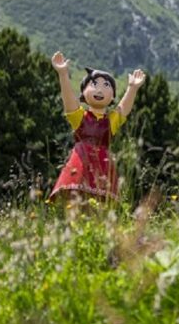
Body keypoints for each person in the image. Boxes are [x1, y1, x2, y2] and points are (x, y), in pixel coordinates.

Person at [48, 51, 145, 207]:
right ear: (83, 92)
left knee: (101, 203)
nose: (100, 90)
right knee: (74, 200)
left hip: (103, 165)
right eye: (94, 84)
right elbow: (68, 102)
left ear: (113, 96)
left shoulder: (111, 121)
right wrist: (63, 74)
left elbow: (123, 109)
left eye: (106, 86)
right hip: (80, 163)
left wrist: (132, 88)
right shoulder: (79, 116)